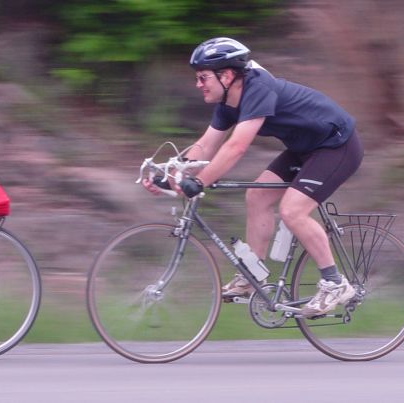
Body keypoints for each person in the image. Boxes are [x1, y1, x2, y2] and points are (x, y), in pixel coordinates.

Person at [142, 37, 364, 318]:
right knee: (256, 196)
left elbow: (236, 147)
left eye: (202, 77)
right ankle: (253, 276)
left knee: (292, 211)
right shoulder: (227, 103)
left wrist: (199, 182)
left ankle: (335, 283)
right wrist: (172, 176)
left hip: (337, 146)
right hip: (304, 149)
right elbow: (207, 145)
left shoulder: (257, 87)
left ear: (226, 75)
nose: (198, 84)